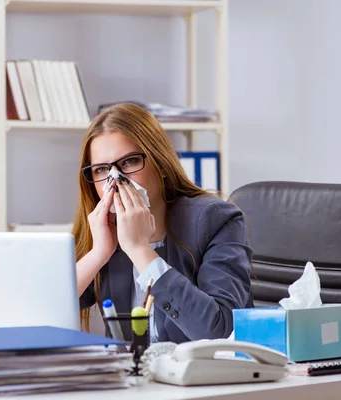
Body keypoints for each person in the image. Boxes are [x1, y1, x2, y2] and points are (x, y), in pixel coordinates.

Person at [73, 102, 254, 344]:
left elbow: (217, 330)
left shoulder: (216, 219)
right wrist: (98, 253)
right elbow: (39, 312)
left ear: (161, 163)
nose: (115, 179)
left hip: (204, 374)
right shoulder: (103, 231)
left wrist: (140, 251)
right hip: (135, 378)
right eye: (102, 169)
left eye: (129, 162)